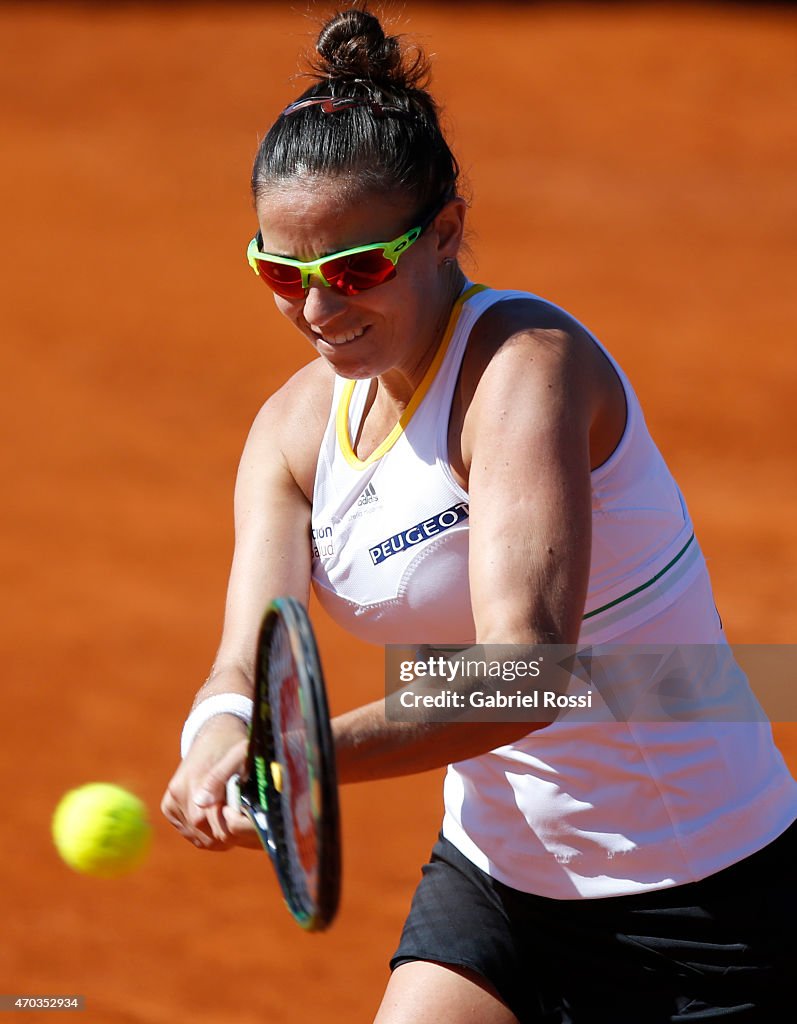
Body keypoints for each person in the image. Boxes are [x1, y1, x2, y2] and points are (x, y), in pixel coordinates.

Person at [161, 6, 797, 1022]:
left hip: (705, 897)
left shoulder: (524, 371)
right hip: (493, 876)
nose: (318, 311)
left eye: (357, 268)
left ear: (445, 231)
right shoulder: (289, 435)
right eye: (283, 275)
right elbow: (247, 656)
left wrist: (303, 756)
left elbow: (528, 673)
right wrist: (218, 732)